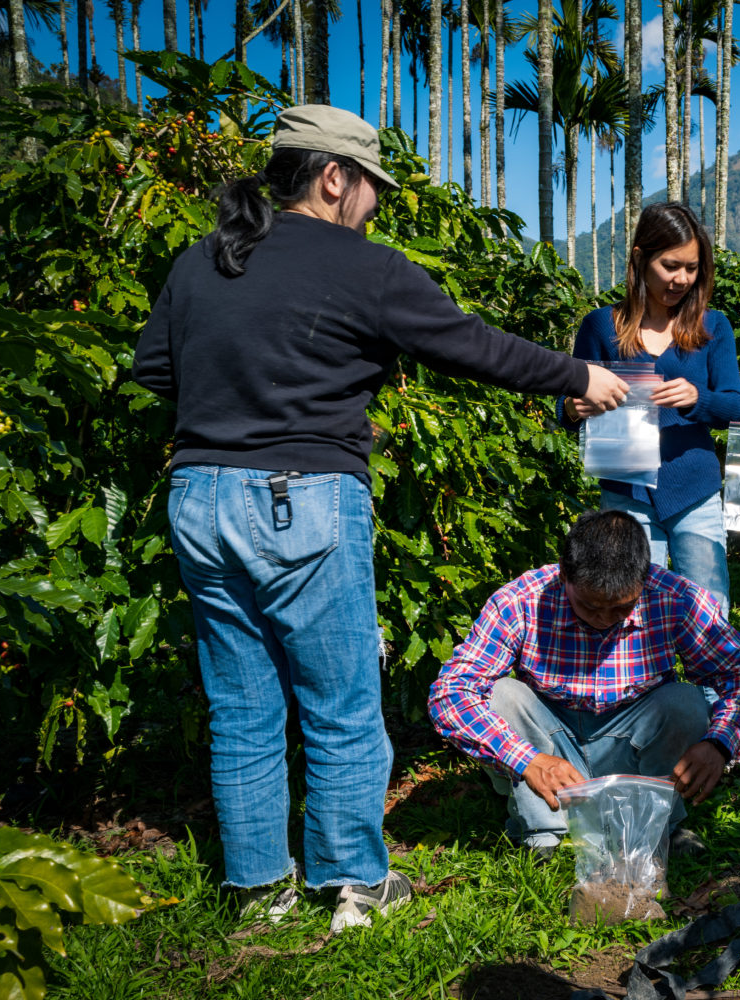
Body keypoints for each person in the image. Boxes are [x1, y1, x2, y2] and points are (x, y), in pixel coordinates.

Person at [132, 104, 630, 932]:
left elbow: (155, 370)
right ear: (334, 177)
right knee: (341, 702)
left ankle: (257, 887)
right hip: (304, 496)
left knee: (243, 704)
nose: (374, 206)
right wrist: (577, 374)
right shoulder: (361, 265)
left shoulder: (199, 261)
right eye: (371, 188)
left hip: (199, 495)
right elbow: (472, 345)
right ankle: (353, 880)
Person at [427, 510, 740, 857]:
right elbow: (450, 693)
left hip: (634, 743)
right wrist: (526, 760)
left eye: (622, 609)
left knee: (684, 702)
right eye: (589, 606)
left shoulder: (676, 599)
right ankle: (542, 831)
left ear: (645, 579)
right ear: (564, 574)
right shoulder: (520, 602)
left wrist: (721, 744)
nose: (604, 620)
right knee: (504, 696)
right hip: (549, 743)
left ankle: (661, 822)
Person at [558, 203, 740, 618]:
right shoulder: (601, 327)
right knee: (634, 610)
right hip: (627, 494)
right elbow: (568, 407)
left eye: (692, 268)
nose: (682, 279)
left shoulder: (713, 327)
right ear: (641, 258)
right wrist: (575, 408)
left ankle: (714, 687)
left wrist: (699, 398)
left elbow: (735, 407)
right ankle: (647, 686)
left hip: (694, 490)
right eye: (670, 265)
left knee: (709, 610)